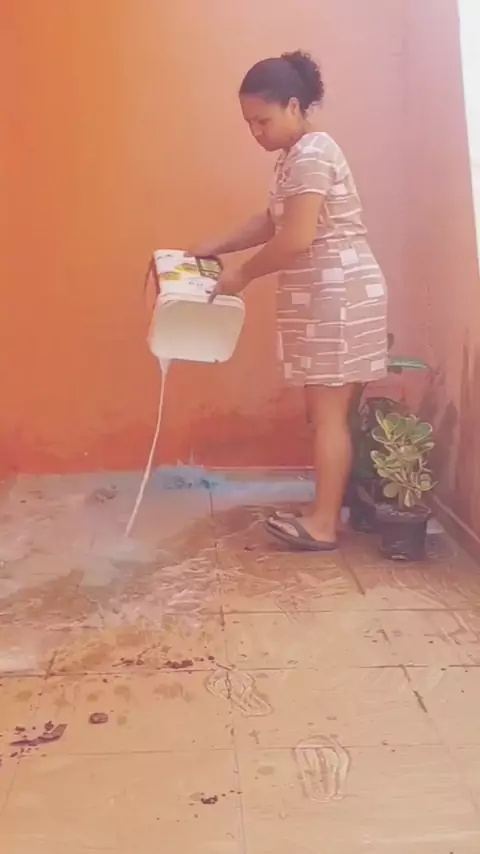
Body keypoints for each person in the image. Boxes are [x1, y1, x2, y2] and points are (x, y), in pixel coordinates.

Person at [193, 50, 387, 551]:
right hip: (323, 293)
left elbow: (296, 237)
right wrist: (218, 246)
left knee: (328, 414)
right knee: (322, 412)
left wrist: (242, 275)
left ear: (294, 106)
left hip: (339, 293)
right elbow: (272, 219)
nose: (255, 132)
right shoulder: (295, 157)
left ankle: (323, 524)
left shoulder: (315, 153)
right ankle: (323, 509)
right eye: (248, 123)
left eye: (263, 120)